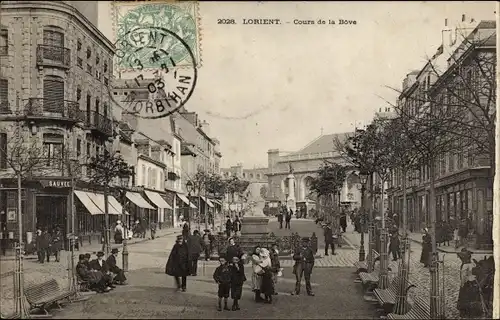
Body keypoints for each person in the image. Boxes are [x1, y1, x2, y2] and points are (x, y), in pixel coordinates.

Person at [457, 248, 483, 318]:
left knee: (465, 298)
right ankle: (474, 312)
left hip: (467, 284)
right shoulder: (473, 264)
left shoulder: (465, 265)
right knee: (473, 298)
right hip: (474, 282)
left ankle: (465, 312)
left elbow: (463, 277)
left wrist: (462, 285)